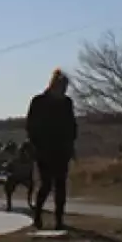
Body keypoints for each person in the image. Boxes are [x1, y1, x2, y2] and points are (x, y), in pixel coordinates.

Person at [25, 68, 77, 230]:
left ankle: (59, 220)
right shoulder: (39, 101)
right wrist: (36, 145)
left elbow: (71, 125)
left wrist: (71, 144)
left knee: (60, 186)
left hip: (62, 150)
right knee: (46, 184)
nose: (63, 91)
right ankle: (38, 215)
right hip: (44, 150)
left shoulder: (66, 103)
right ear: (54, 86)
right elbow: (31, 126)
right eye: (62, 87)